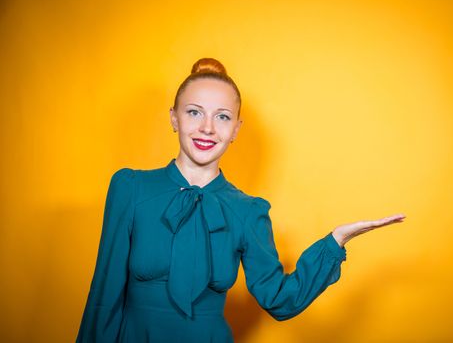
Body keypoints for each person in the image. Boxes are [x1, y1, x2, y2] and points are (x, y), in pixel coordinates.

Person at [76, 57, 406, 342]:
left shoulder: (250, 211)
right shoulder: (130, 188)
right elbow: (103, 298)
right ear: (174, 118)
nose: (207, 128)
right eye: (194, 112)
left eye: (222, 117)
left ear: (236, 129)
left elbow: (279, 299)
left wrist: (336, 242)